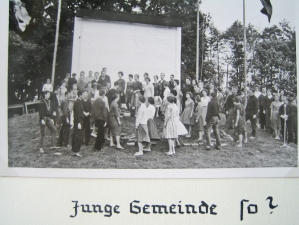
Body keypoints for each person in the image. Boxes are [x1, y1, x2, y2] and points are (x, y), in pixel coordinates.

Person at [72, 90, 86, 157]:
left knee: (77, 135)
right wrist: (78, 123)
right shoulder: (77, 102)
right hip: (79, 121)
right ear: (80, 95)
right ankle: (76, 151)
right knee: (78, 135)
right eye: (83, 94)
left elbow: (80, 111)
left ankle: (75, 150)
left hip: (80, 120)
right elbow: (77, 114)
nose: (85, 96)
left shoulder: (80, 102)